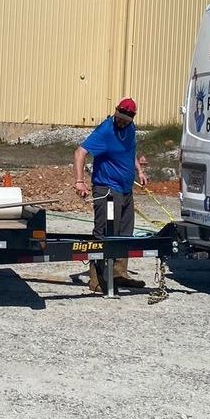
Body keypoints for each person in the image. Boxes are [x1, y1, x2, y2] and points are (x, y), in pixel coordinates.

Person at [73, 98, 147, 293]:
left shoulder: (131, 129)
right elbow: (80, 153)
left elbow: (130, 151)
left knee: (125, 233)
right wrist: (79, 181)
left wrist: (139, 171)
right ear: (115, 113)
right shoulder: (105, 130)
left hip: (125, 189)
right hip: (106, 188)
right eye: (119, 118)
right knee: (104, 232)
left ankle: (118, 274)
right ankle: (96, 278)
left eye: (125, 120)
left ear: (132, 119)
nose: (121, 122)